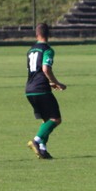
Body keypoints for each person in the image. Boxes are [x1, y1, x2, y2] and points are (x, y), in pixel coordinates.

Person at [25, 23, 67, 160]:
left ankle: (42, 149)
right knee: (55, 119)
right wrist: (56, 82)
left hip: (30, 89)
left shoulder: (31, 50)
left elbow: (34, 71)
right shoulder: (47, 50)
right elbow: (45, 69)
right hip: (41, 89)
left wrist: (49, 83)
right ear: (49, 34)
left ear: (36, 34)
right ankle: (37, 141)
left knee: (46, 120)